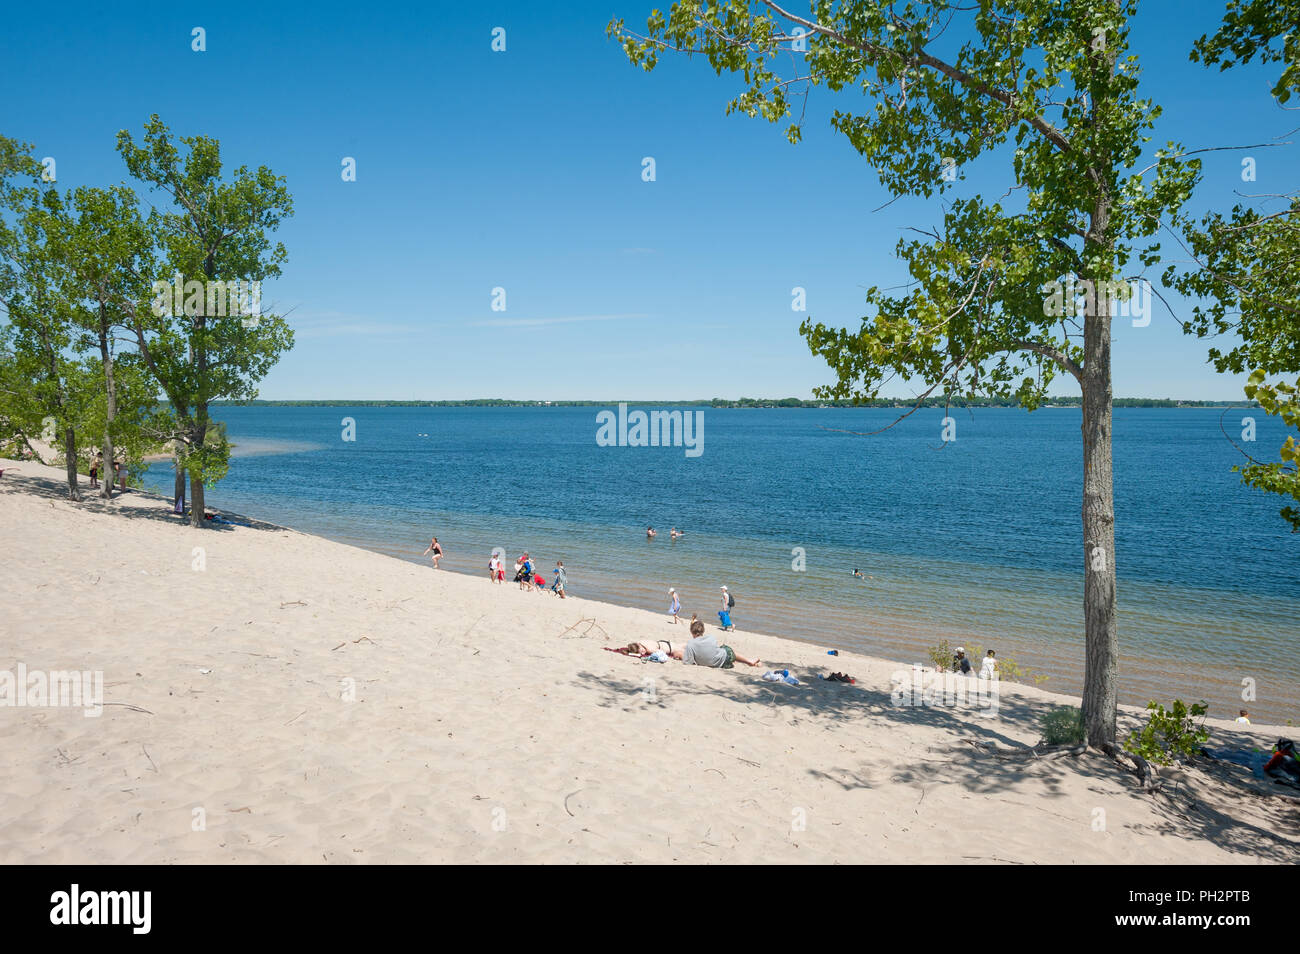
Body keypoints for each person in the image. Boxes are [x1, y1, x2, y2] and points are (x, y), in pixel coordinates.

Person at [681, 618, 759, 669]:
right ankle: (749, 661)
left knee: (724, 651)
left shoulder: (690, 644)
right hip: (725, 662)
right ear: (703, 630)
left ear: (691, 631)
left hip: (720, 664)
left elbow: (688, 662)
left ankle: (747, 662)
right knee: (726, 649)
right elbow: (714, 650)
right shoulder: (711, 637)